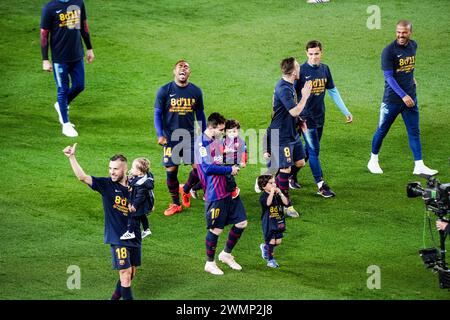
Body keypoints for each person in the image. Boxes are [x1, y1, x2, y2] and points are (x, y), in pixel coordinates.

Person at [63, 143, 140, 300]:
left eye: (115, 169)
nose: (111, 172)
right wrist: (72, 157)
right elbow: (82, 177)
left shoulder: (137, 185)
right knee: (125, 274)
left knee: (131, 273)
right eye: (110, 168)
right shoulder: (106, 185)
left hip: (135, 235)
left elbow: (148, 206)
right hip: (117, 237)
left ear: (124, 169)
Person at [367, 20, 438, 176]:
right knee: (382, 130)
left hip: (411, 99)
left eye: (404, 32)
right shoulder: (388, 51)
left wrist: (411, 78)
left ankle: (418, 165)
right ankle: (373, 161)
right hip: (392, 100)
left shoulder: (414, 46)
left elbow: (408, 67)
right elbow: (389, 77)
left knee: (414, 131)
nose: (400, 35)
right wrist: (403, 95)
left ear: (410, 33)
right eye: (398, 32)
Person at [291, 40, 353, 197]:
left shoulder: (325, 69)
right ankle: (321, 185)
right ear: (306, 54)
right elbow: (291, 95)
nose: (314, 57)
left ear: (321, 53)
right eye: (311, 54)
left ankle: (291, 174)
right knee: (314, 151)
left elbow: (332, 91)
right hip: (306, 119)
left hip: (320, 116)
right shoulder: (301, 72)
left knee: (308, 149)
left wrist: (345, 111)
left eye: (316, 54)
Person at [195, 113, 247, 275]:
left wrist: (237, 159)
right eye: (221, 129)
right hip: (216, 192)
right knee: (216, 229)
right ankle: (209, 263)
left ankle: (226, 254)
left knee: (241, 222)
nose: (224, 132)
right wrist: (229, 169)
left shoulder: (215, 141)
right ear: (211, 128)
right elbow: (208, 168)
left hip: (229, 188)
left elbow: (222, 158)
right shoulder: (202, 144)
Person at [154, 59, 207, 216]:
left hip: (191, 137)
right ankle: (176, 204)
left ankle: (186, 189)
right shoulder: (164, 90)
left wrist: (204, 135)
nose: (183, 69)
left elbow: (201, 114)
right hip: (171, 138)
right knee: (171, 171)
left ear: (189, 72)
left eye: (186, 67)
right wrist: (160, 134)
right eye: (180, 67)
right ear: (174, 71)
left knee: (199, 167)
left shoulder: (196, 91)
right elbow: (157, 113)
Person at [262, 57, 312, 218]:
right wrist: (305, 96)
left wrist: (299, 122)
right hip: (281, 135)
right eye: (298, 66)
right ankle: (285, 204)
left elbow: (291, 114)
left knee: (300, 162)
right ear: (293, 71)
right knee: (285, 168)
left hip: (291, 132)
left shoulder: (289, 85)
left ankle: (271, 180)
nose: (300, 68)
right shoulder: (283, 88)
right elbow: (293, 111)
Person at [40, 0, 94, 138]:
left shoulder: (78, 3)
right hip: (60, 59)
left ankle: (61, 105)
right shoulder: (50, 8)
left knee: (79, 86)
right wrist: (45, 59)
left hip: (77, 55)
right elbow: (44, 34)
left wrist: (89, 48)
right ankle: (65, 124)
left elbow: (83, 26)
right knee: (62, 89)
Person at [257, 175, 289, 268]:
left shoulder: (277, 194)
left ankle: (265, 247)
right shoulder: (263, 196)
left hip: (279, 220)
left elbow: (286, 203)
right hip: (268, 221)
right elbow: (268, 203)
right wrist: (271, 193)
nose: (273, 185)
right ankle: (270, 260)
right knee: (271, 241)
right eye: (270, 183)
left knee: (278, 242)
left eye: (274, 182)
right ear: (263, 186)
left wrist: (281, 194)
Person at [120, 157, 154, 240]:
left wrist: (134, 205)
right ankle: (146, 229)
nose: (131, 169)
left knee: (132, 216)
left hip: (140, 204)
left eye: (133, 168)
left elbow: (140, 197)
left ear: (139, 172)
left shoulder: (141, 184)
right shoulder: (146, 176)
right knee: (142, 216)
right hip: (146, 203)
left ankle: (130, 232)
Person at [223, 119, 248, 199]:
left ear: (238, 131)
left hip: (235, 161)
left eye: (234, 131)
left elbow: (244, 152)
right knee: (223, 175)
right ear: (225, 132)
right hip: (223, 161)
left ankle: (234, 189)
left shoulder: (240, 141)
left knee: (228, 174)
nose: (232, 134)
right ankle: (226, 190)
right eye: (229, 132)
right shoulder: (223, 140)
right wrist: (224, 150)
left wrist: (243, 161)